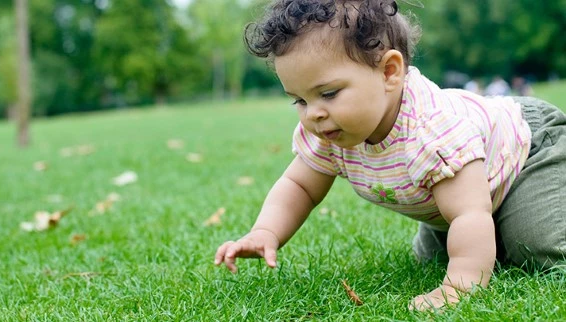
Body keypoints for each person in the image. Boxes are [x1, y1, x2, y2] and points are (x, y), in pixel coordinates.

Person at [214, 0, 566, 311]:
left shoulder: (432, 131)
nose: (313, 114)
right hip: (466, 189)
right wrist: (265, 231)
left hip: (527, 151)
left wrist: (458, 288)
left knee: (540, 248)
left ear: (388, 72)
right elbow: (299, 186)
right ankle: (498, 233)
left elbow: (470, 212)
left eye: (329, 93)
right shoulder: (329, 130)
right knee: (433, 257)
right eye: (300, 100)